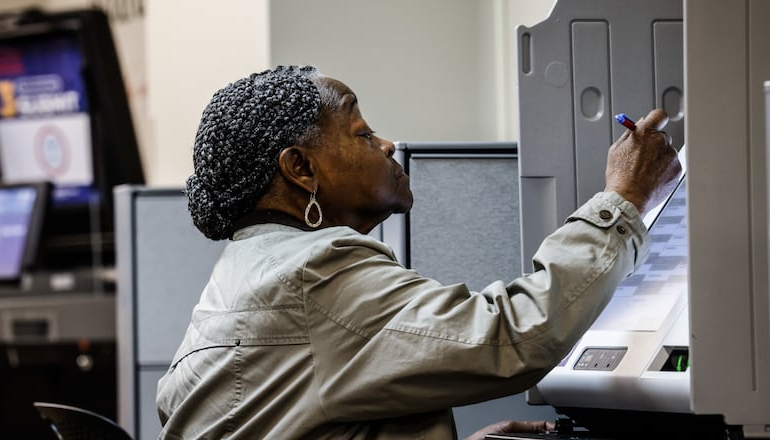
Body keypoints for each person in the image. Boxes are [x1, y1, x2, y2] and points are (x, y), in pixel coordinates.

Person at [156, 65, 681, 439]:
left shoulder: (247, 270)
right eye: (362, 133)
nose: (386, 145)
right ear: (301, 170)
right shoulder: (313, 273)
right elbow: (511, 335)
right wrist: (624, 198)